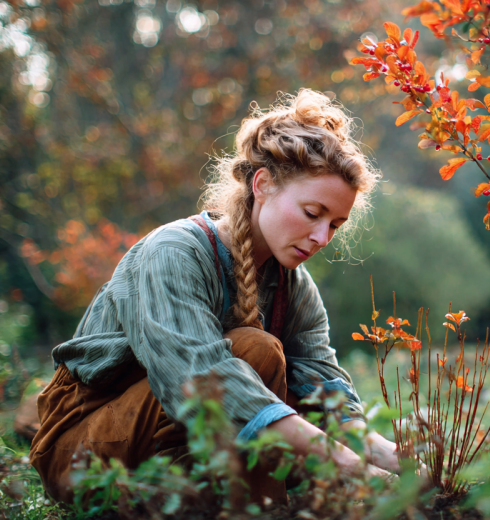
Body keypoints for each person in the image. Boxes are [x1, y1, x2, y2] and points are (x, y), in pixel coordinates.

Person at [29, 89, 398, 504]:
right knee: (254, 351)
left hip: (172, 440)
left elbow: (325, 387)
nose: (321, 237)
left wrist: (393, 458)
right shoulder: (173, 252)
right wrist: (348, 464)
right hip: (79, 451)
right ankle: (245, 505)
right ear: (263, 185)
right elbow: (199, 380)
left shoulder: (294, 284)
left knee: (297, 389)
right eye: (313, 214)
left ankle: (250, 505)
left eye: (335, 225)